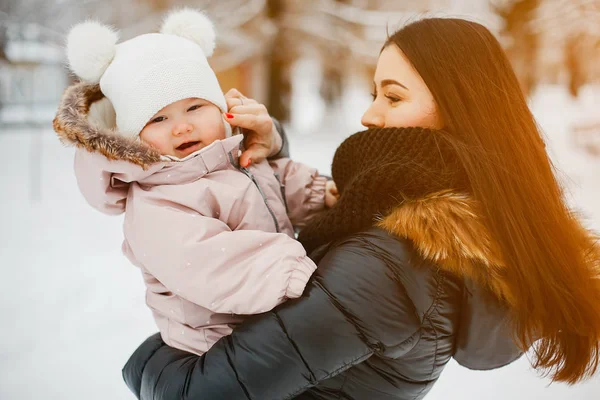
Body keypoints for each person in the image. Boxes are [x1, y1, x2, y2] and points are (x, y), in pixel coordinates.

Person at [121, 17, 600, 399]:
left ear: (460, 107)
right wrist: (270, 153)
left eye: (392, 96)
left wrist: (147, 359)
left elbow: (201, 393)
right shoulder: (452, 221)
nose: (369, 115)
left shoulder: (390, 262)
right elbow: (331, 204)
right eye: (374, 94)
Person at [52, 8, 340, 357]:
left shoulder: (233, 157)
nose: (182, 127)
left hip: (264, 316)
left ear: (220, 109)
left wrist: (315, 192)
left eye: (194, 108)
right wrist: (298, 274)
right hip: (218, 343)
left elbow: (274, 183)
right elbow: (209, 261)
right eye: (158, 118)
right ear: (133, 135)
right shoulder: (157, 201)